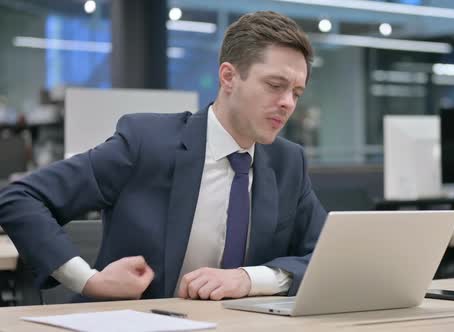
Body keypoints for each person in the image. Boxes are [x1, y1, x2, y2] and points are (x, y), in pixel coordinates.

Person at [0, 11, 326, 302]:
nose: (288, 103)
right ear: (228, 77)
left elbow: (327, 255)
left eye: (296, 92)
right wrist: (88, 280)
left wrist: (248, 279)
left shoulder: (287, 163)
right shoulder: (147, 143)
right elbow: (21, 197)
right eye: (275, 85)